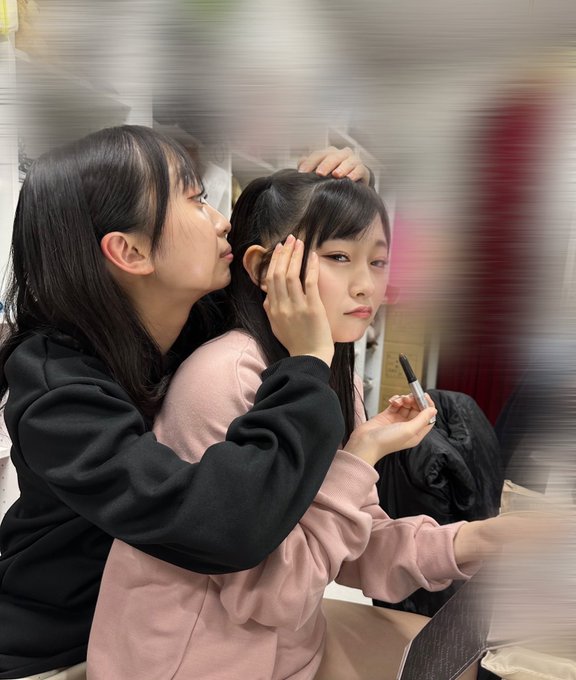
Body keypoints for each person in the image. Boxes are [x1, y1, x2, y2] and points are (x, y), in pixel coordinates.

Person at [88, 170, 522, 680]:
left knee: (460, 660)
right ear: (263, 267)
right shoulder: (223, 379)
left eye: (378, 261)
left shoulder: (332, 376)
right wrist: (360, 456)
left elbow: (354, 545)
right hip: (190, 662)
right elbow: (272, 593)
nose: (365, 285)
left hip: (284, 645)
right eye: (338, 257)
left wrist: (484, 539)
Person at [0, 126, 396, 680]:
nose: (222, 221)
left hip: (181, 623)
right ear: (130, 251)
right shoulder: (57, 396)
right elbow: (229, 527)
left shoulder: (196, 322)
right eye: (195, 199)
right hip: (67, 648)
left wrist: (331, 200)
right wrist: (307, 364)